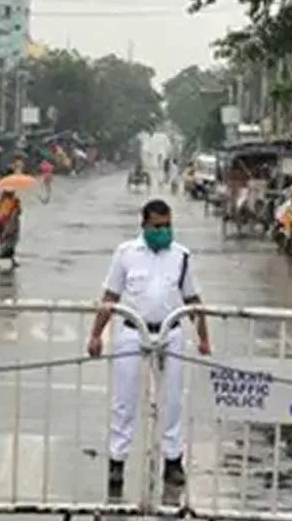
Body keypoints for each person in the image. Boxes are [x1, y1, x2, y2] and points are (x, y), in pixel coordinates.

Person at [86, 199, 212, 492]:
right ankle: (117, 461)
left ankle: (172, 461)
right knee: (123, 400)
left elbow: (193, 300)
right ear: (144, 225)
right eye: (157, 226)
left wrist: (204, 337)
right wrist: (95, 335)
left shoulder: (181, 256)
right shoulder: (126, 254)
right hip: (132, 333)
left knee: (172, 400)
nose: (163, 232)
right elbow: (110, 296)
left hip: (171, 333)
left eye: (168, 226)